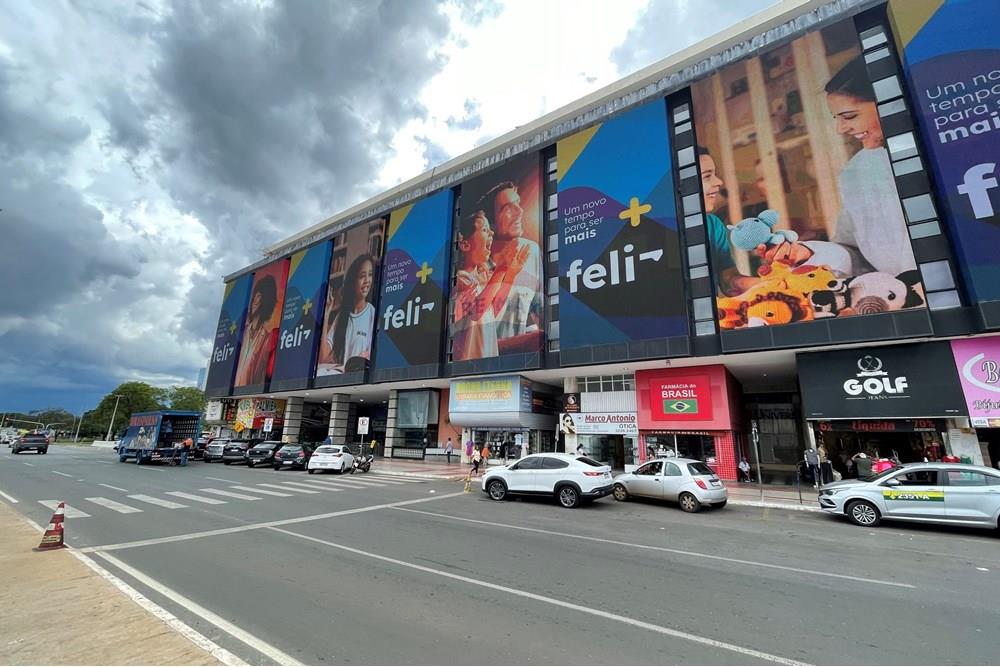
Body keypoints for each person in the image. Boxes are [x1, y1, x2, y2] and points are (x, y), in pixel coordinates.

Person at [751, 57, 918, 280]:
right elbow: (854, 255)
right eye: (836, 118)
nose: (840, 128)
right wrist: (808, 253)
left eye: (850, 116)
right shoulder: (857, 171)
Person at [451, 210, 531, 361]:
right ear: (465, 244)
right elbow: (476, 312)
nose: (492, 233)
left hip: (486, 359)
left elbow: (494, 310)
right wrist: (501, 270)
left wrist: (510, 273)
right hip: (469, 363)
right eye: (485, 230)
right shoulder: (460, 279)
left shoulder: (485, 279)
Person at [481, 181, 542, 340]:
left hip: (522, 359)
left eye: (518, 204)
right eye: (507, 208)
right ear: (491, 224)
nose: (519, 211)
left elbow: (538, 310)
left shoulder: (531, 251)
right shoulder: (476, 267)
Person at [319, 254, 377, 375]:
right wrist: (326, 314)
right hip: (338, 378)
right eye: (362, 276)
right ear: (353, 281)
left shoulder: (372, 313)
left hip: (358, 379)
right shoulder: (342, 315)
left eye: (370, 275)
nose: (367, 281)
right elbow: (323, 357)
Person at [235, 275, 279, 386]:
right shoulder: (242, 333)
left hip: (253, 392)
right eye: (255, 295)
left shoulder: (266, 339)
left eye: (259, 296)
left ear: (266, 301)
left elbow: (262, 372)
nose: (254, 300)